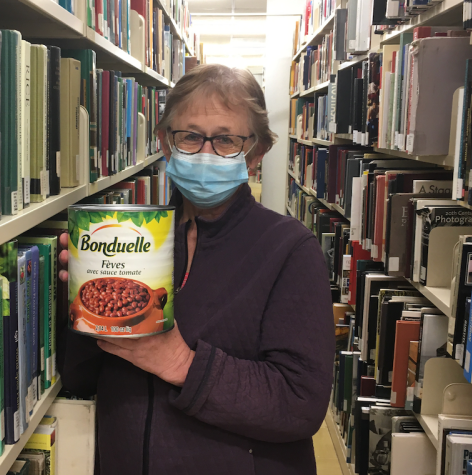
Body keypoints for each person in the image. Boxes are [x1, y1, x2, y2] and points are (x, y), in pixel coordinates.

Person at [58, 64, 334, 475]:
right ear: (166, 146)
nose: (205, 153)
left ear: (255, 154)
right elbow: (80, 380)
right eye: (189, 136)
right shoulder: (134, 238)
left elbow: (299, 403)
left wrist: (180, 363)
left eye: (226, 140)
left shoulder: (290, 249)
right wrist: (81, 300)